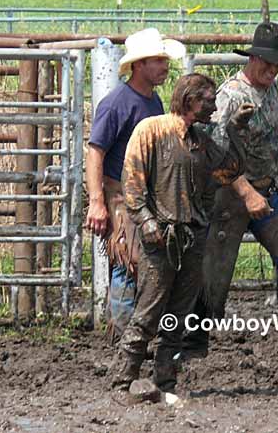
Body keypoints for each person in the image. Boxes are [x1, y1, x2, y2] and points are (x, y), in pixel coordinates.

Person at [110, 73, 253, 395]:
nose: (215, 105)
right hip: (161, 237)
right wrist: (147, 222)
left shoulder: (200, 139)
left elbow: (229, 170)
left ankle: (165, 380)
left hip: (191, 236)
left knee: (178, 316)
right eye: (209, 99)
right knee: (149, 311)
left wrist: (235, 129)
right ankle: (123, 380)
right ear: (190, 100)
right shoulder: (152, 130)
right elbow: (132, 183)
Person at [185, 22, 278, 357]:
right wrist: (246, 192)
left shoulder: (271, 93)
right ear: (253, 58)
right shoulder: (229, 96)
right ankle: (191, 341)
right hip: (228, 195)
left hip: (267, 191)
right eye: (268, 63)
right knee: (212, 270)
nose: (273, 70)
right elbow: (213, 154)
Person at [85, 28, 185, 344]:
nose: (164, 66)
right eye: (157, 60)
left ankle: (135, 337)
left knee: (143, 265)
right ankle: (124, 338)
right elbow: (95, 151)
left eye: (164, 60)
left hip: (143, 195)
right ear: (139, 65)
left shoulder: (152, 101)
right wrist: (97, 201)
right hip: (121, 195)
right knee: (129, 263)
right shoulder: (117, 103)